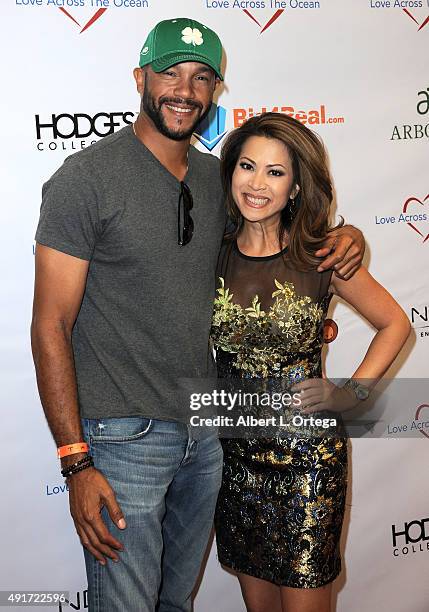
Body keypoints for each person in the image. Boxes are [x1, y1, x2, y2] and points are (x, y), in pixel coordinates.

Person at [30, 17, 365, 612]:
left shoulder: (225, 181)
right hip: (122, 438)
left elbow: (278, 256)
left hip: (209, 437)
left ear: (215, 93)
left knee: (176, 605)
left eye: (202, 77)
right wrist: (74, 460)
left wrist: (348, 238)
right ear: (140, 78)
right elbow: (49, 326)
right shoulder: (85, 180)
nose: (184, 89)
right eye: (170, 73)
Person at [211, 112, 411, 612]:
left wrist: (352, 393)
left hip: (308, 463)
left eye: (275, 173)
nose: (257, 184)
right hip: (235, 460)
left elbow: (396, 325)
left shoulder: (322, 255)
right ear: (230, 171)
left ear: (296, 186)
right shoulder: (210, 254)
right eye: (247, 166)